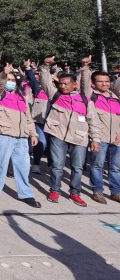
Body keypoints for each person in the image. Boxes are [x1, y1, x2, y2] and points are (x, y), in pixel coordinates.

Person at [39, 57, 101, 206]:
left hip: (79, 138)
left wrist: (96, 139)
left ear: (74, 85)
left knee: (77, 168)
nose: (63, 86)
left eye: (66, 84)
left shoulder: (85, 100)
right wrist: (45, 66)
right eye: (60, 83)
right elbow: (46, 82)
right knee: (57, 166)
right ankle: (55, 190)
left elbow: (93, 121)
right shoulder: (56, 96)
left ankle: (75, 193)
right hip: (58, 135)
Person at [0, 64, 41, 208]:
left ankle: (25, 194)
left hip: (21, 137)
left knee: (23, 166)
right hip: (3, 133)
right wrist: (4, 74)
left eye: (13, 80)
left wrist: (33, 134)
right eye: (8, 79)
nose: (11, 82)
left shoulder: (21, 97)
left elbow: (28, 117)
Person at [79, 56, 120, 204]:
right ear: (94, 83)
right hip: (99, 138)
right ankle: (97, 191)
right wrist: (85, 67)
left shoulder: (115, 98)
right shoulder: (91, 96)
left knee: (115, 168)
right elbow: (84, 85)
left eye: (107, 81)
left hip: (116, 139)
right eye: (100, 81)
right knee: (97, 165)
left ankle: (116, 192)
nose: (104, 84)